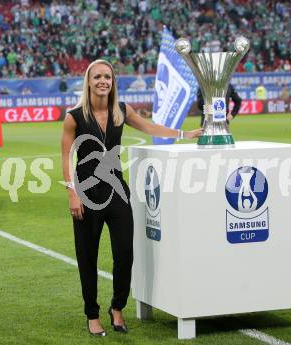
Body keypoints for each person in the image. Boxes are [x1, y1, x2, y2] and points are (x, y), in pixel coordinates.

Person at [61, 59, 202, 337]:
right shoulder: (74, 117)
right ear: (89, 81)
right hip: (87, 194)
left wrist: (186, 134)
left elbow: (150, 128)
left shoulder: (121, 111)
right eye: (98, 76)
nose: (103, 81)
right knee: (87, 256)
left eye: (108, 77)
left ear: (113, 82)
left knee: (125, 253)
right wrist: (71, 192)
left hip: (117, 191)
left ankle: (117, 307)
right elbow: (66, 155)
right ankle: (92, 314)